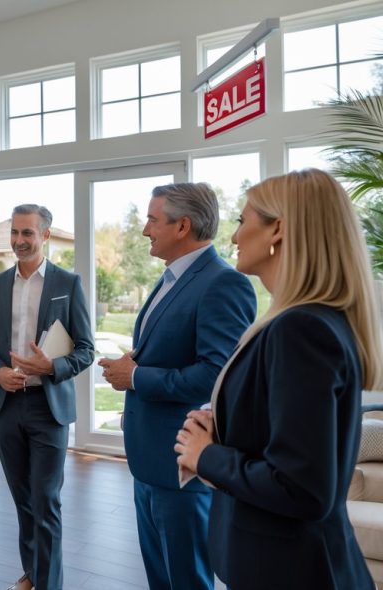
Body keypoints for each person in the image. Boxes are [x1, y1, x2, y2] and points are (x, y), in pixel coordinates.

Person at [175, 169, 382, 590]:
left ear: (278, 229)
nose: (233, 237)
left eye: (242, 221)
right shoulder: (305, 323)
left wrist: (206, 454)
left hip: (291, 568)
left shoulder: (300, 330)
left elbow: (303, 488)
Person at [97, 182, 256, 590]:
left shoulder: (222, 282)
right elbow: (175, 350)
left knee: (188, 581)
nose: (146, 230)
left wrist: (135, 377)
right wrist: (137, 361)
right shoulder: (171, 278)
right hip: (150, 461)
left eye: (152, 220)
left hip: (182, 463)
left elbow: (217, 374)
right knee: (161, 580)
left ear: (183, 225)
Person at [0, 204, 94, 590]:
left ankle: (48, 584)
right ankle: (34, 575)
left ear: (46, 235)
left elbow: (86, 349)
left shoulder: (67, 284)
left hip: (48, 408)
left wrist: (51, 369)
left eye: (28, 233)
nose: (19, 241)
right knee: (23, 501)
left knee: (46, 502)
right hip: (6, 407)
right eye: (15, 232)